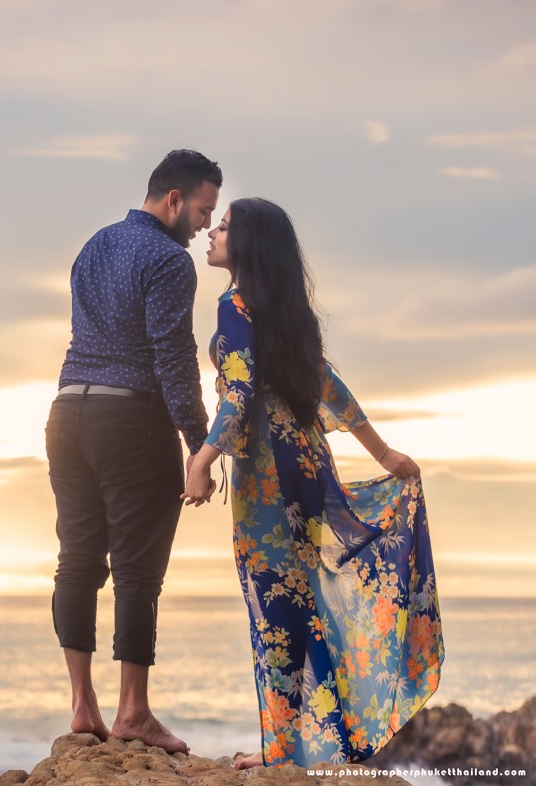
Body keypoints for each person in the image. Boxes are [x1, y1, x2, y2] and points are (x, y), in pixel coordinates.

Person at [182, 198, 444, 768]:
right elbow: (328, 385)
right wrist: (385, 452)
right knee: (303, 603)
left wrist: (201, 458)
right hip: (308, 469)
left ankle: (281, 753)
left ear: (247, 244)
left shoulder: (235, 306)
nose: (212, 234)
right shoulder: (286, 312)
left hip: (268, 481)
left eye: (223, 227)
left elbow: (238, 391)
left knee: (274, 605)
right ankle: (315, 746)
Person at [46, 149, 222, 753]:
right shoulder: (169, 261)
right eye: (202, 210)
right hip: (131, 419)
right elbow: (173, 360)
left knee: (77, 559)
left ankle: (82, 706)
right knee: (137, 572)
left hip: (67, 413)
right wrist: (201, 446)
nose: (203, 224)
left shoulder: (94, 245)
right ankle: (133, 713)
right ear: (173, 200)